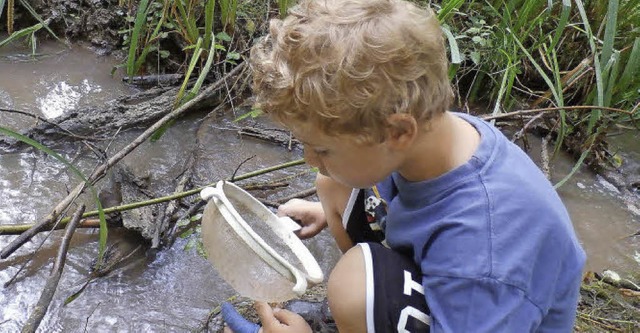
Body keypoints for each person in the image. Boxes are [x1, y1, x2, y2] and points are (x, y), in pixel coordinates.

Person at [221, 0, 587, 331]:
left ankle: (359, 314)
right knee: (334, 185)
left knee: (353, 285)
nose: (309, 159)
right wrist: (327, 209)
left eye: (322, 148)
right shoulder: (431, 135)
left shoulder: (485, 257)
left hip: (472, 309)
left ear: (397, 132)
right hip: (445, 274)